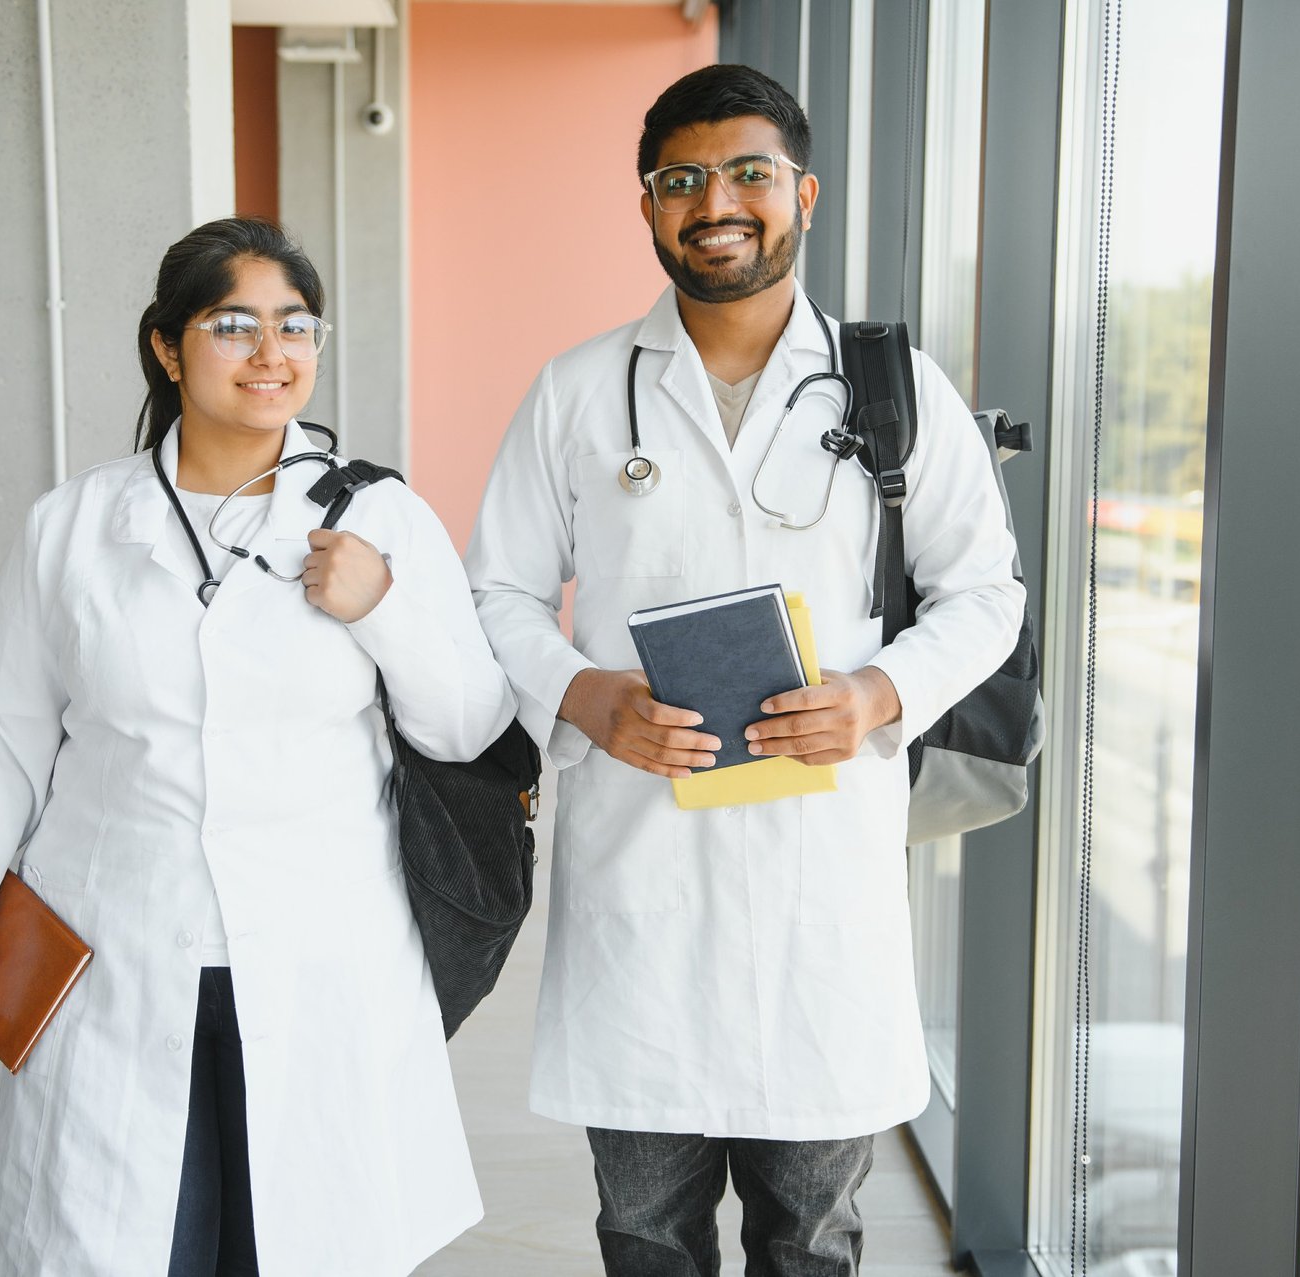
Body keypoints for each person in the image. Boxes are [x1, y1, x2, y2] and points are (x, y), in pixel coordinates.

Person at [465, 65, 1026, 1275]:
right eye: (681, 179)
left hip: (820, 876)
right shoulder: (577, 390)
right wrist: (582, 694)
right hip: (641, 869)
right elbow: (495, 594)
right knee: (645, 1232)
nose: (714, 200)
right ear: (649, 205)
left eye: (747, 173)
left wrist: (878, 695)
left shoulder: (896, 391)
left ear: (803, 193)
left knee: (812, 1234)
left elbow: (987, 594)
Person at [0, 216, 513, 1276]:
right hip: (117, 942)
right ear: (167, 347)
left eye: (296, 326)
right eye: (235, 326)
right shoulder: (76, 526)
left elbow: (463, 727)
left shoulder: (381, 518)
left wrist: (381, 607)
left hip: (324, 943)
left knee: (304, 1237)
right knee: (131, 1239)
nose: (272, 354)